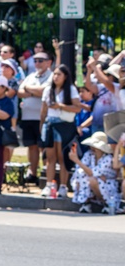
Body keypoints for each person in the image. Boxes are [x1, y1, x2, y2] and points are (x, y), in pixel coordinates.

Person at [40, 64, 82, 199]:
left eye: (59, 74)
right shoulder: (48, 90)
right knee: (50, 157)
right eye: (55, 74)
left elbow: (77, 108)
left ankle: (63, 186)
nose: (56, 77)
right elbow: (44, 110)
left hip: (64, 125)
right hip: (50, 123)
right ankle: (49, 184)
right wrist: (42, 126)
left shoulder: (70, 90)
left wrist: (61, 106)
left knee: (63, 156)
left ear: (65, 77)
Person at [18, 52, 53, 184]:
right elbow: (20, 92)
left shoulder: (51, 76)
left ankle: (45, 172)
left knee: (43, 146)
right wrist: (34, 91)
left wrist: (28, 90)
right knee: (31, 146)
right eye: (35, 60)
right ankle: (32, 172)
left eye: (40, 60)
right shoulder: (31, 76)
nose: (37, 63)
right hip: (28, 117)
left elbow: (44, 91)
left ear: (49, 62)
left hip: (42, 117)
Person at [69, 132, 118, 213]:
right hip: (93, 182)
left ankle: (107, 204)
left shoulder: (108, 158)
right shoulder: (89, 154)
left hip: (107, 184)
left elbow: (93, 173)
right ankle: (86, 202)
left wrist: (76, 160)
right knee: (81, 174)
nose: (92, 147)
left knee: (92, 180)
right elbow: (82, 169)